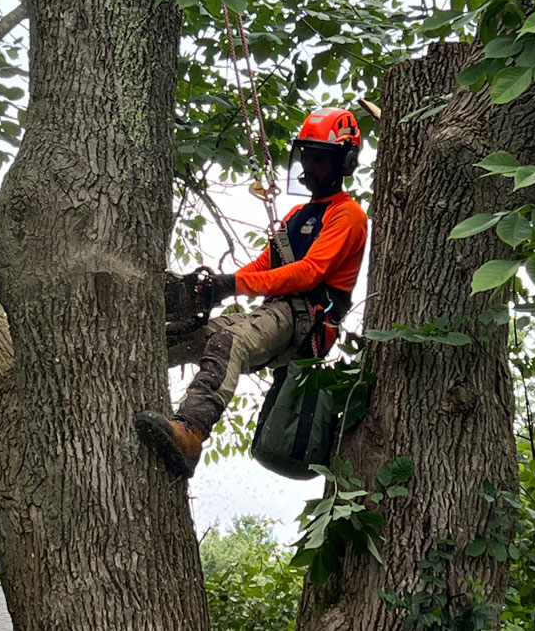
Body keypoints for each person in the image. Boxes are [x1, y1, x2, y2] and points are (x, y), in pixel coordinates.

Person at [135, 107, 369, 478]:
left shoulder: (348, 215)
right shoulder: (296, 215)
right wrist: (218, 288)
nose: (310, 168)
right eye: (306, 157)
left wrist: (233, 285)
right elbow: (264, 266)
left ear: (346, 162)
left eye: (320, 160)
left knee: (231, 340)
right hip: (277, 312)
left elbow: (310, 273)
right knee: (184, 338)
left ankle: (191, 431)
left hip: (304, 319)